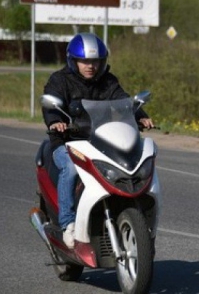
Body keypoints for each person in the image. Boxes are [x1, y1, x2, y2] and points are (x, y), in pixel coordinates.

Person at [42, 32, 154, 249]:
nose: (90, 66)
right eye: (85, 61)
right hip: (68, 142)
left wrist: (140, 116)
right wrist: (55, 121)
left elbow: (124, 101)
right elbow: (51, 105)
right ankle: (68, 224)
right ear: (73, 60)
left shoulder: (107, 81)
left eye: (95, 61)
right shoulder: (59, 80)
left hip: (99, 141)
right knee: (71, 169)